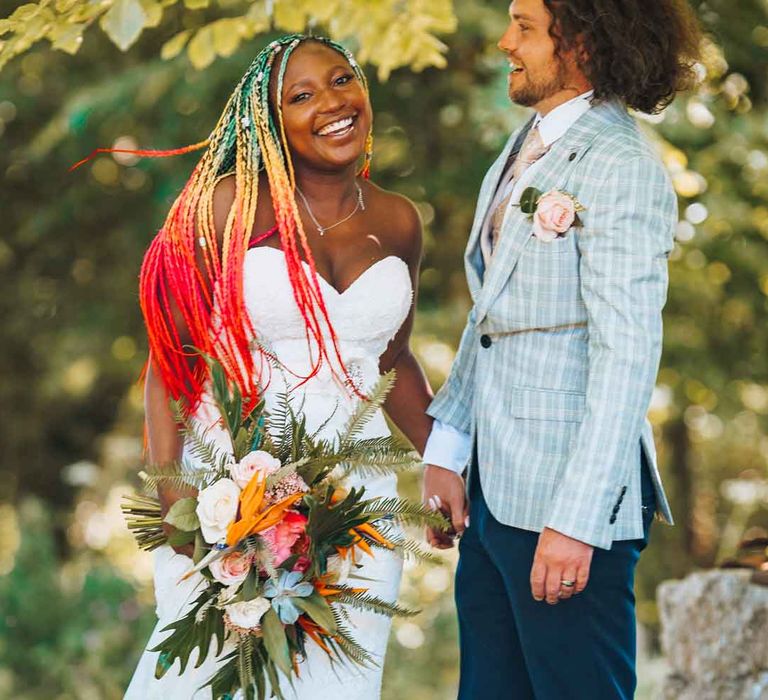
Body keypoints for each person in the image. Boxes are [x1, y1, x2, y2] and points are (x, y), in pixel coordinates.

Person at [124, 34, 434, 699]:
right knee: (206, 678)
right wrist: (175, 491)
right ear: (271, 122)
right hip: (234, 486)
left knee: (337, 682)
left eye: (343, 80)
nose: (332, 103)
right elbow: (168, 358)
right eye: (302, 96)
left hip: (357, 498)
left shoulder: (399, 220)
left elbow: (390, 359)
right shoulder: (225, 206)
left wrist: (445, 464)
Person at [422, 0, 701, 697]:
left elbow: (626, 355)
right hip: (494, 498)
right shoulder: (525, 143)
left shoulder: (622, 165)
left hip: (566, 511)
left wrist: (575, 523)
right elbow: (492, 319)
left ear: (581, 38)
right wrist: (448, 449)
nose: (504, 41)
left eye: (524, 25)